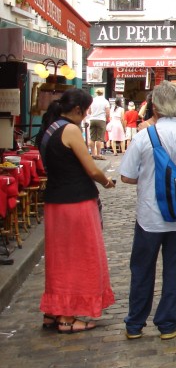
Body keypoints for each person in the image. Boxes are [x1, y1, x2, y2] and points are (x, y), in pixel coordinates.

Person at [119, 82, 176, 340]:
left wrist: (151, 176)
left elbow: (126, 176)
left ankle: (135, 324)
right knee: (174, 271)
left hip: (149, 216)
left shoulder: (143, 136)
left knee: (141, 270)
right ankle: (167, 323)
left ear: (155, 106)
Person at [36, 89, 116, 334]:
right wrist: (106, 181)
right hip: (76, 202)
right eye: (87, 110)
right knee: (79, 257)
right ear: (79, 109)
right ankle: (67, 318)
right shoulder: (70, 130)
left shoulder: (49, 128)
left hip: (56, 201)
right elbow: (91, 169)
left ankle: (54, 311)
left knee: (60, 257)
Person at [87, 89, 110, 160]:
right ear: (102, 93)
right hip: (101, 120)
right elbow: (108, 112)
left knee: (92, 137)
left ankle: (93, 153)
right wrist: (106, 119)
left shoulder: (92, 101)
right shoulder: (105, 101)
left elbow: (89, 111)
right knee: (99, 138)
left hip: (92, 119)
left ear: (96, 93)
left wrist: (93, 114)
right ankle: (98, 154)